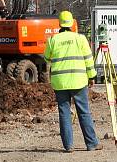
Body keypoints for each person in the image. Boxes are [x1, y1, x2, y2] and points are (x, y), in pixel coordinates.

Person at [43, 10, 100, 152]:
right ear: (72, 23)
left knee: (64, 113)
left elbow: (47, 58)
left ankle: (68, 146)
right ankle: (92, 144)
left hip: (60, 82)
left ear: (59, 24)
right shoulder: (80, 39)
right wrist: (92, 76)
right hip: (79, 81)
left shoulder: (52, 40)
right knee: (84, 112)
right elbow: (88, 59)